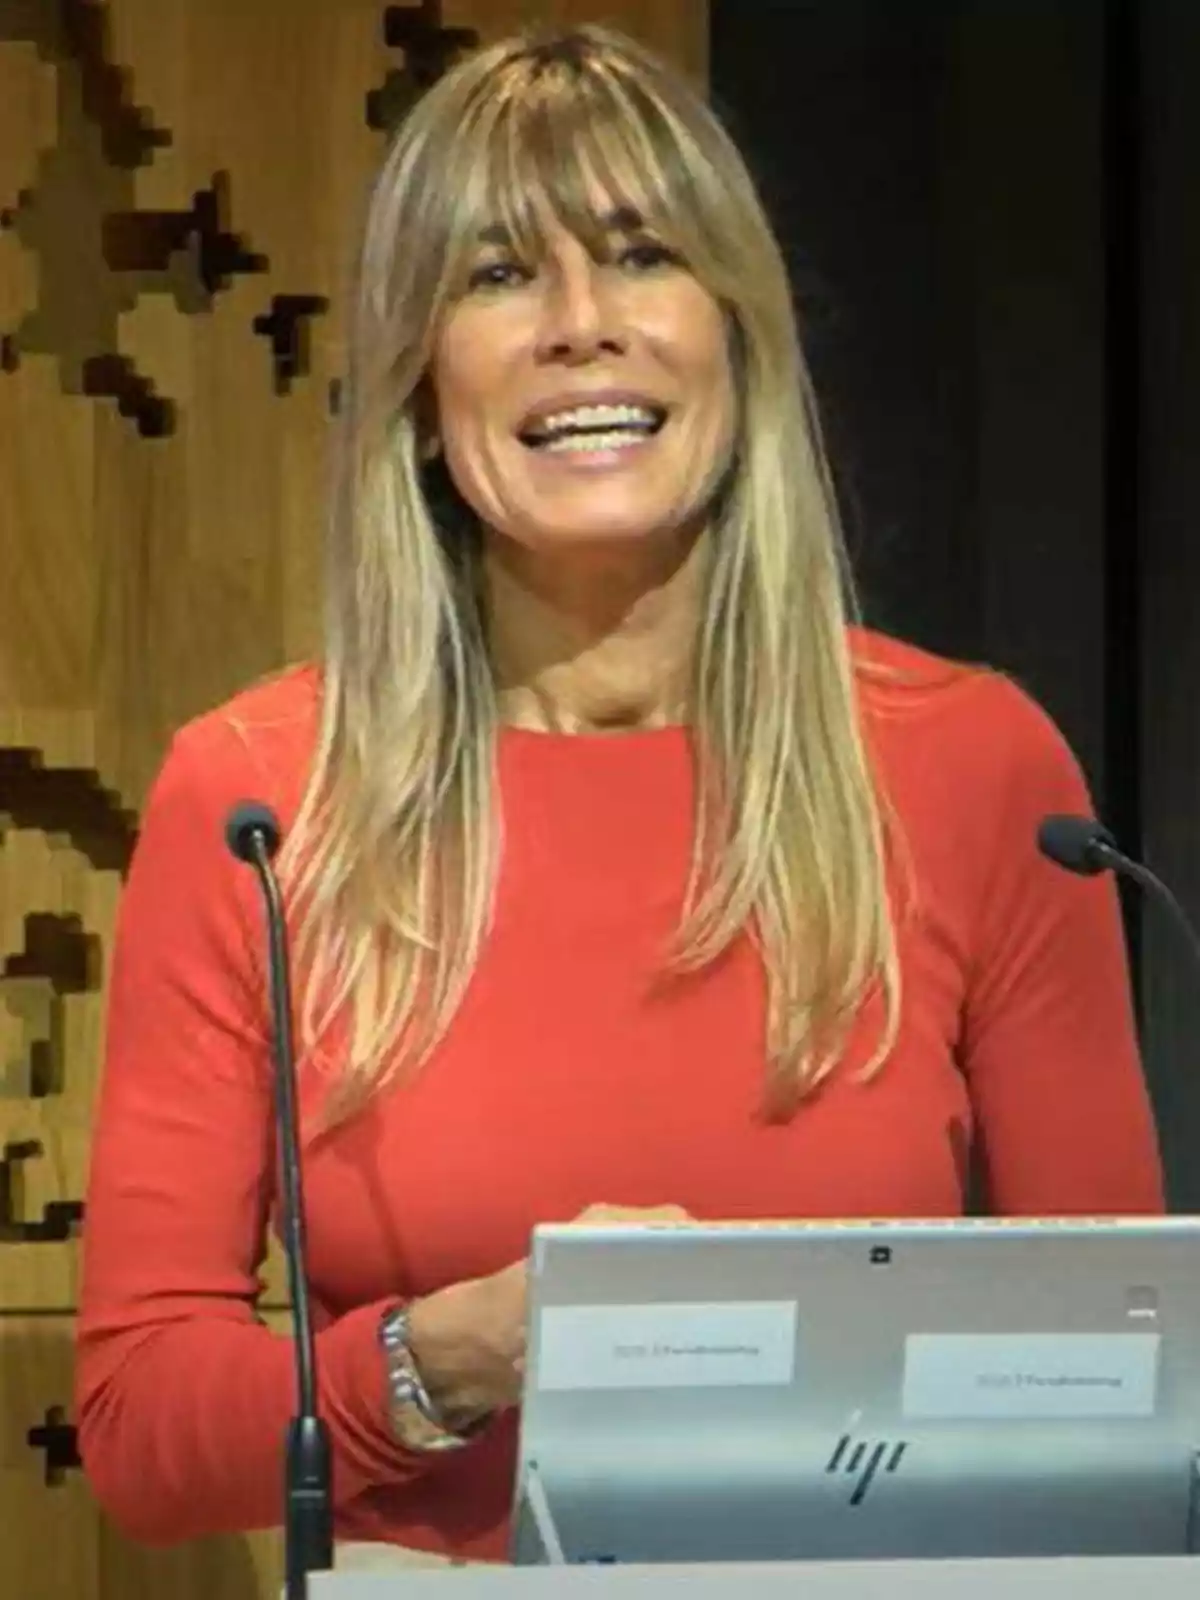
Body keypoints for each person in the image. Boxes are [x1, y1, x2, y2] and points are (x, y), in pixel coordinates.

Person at [74, 21, 1163, 1568]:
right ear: (417, 381)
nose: (586, 328)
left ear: (736, 331)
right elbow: (141, 1431)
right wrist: (454, 1358)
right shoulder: (256, 801)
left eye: (643, 255)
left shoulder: (977, 767)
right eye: (501, 275)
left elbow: (1113, 1380)